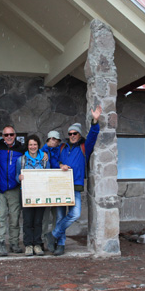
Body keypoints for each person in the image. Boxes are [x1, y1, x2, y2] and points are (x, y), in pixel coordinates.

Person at [45, 106, 102, 256]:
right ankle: (60, 245)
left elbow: (93, 135)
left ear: (79, 134)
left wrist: (95, 121)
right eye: (70, 133)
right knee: (60, 216)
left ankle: (54, 234)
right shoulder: (62, 146)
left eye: (74, 133)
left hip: (75, 186)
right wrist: (60, 165)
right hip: (59, 185)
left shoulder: (84, 147)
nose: (72, 135)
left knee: (75, 214)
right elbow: (52, 157)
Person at [0, 125, 26, 256]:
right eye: (6, 135)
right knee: (0, 217)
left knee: (14, 218)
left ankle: (14, 243)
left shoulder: (21, 148)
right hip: (0, 188)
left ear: (15, 135)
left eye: (11, 134)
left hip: (14, 188)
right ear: (3, 136)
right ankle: (1, 243)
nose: (9, 137)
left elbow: (35, 152)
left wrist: (45, 153)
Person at [17, 134, 50, 256]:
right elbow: (16, 176)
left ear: (38, 145)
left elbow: (48, 176)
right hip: (26, 193)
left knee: (38, 220)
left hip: (41, 193)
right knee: (27, 220)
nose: (32, 147)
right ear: (27, 145)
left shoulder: (45, 159)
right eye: (30, 144)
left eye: (35, 144)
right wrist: (19, 178)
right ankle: (28, 245)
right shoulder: (21, 160)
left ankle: (37, 244)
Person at [40, 130, 62, 250]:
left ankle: (54, 238)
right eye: (51, 139)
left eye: (56, 139)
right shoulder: (42, 151)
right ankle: (43, 240)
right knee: (45, 215)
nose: (53, 141)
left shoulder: (59, 150)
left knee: (57, 214)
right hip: (45, 187)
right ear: (48, 139)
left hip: (57, 186)